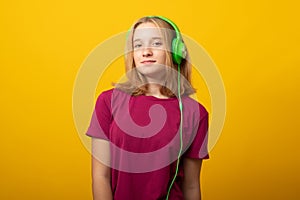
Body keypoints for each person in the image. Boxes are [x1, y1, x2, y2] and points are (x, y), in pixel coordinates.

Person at [86, 16, 209, 200]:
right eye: (138, 45)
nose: (146, 52)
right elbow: (100, 177)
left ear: (176, 51)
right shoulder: (108, 101)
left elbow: (191, 186)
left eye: (157, 43)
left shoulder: (195, 113)